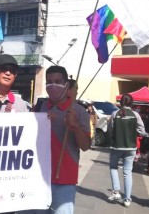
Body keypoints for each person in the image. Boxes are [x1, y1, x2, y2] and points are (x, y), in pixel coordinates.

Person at [38, 65, 91, 213]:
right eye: (49, 81)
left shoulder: (79, 112)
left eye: (58, 81)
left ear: (66, 85)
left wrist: (75, 127)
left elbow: (86, 146)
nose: (53, 85)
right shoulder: (40, 108)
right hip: (38, 177)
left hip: (64, 180)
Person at [107, 94, 149, 208]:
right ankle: (127, 199)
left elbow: (110, 130)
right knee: (127, 172)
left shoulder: (115, 114)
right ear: (132, 103)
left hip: (117, 146)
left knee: (113, 167)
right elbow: (141, 131)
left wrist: (112, 138)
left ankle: (116, 191)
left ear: (121, 102)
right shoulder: (136, 115)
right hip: (131, 147)